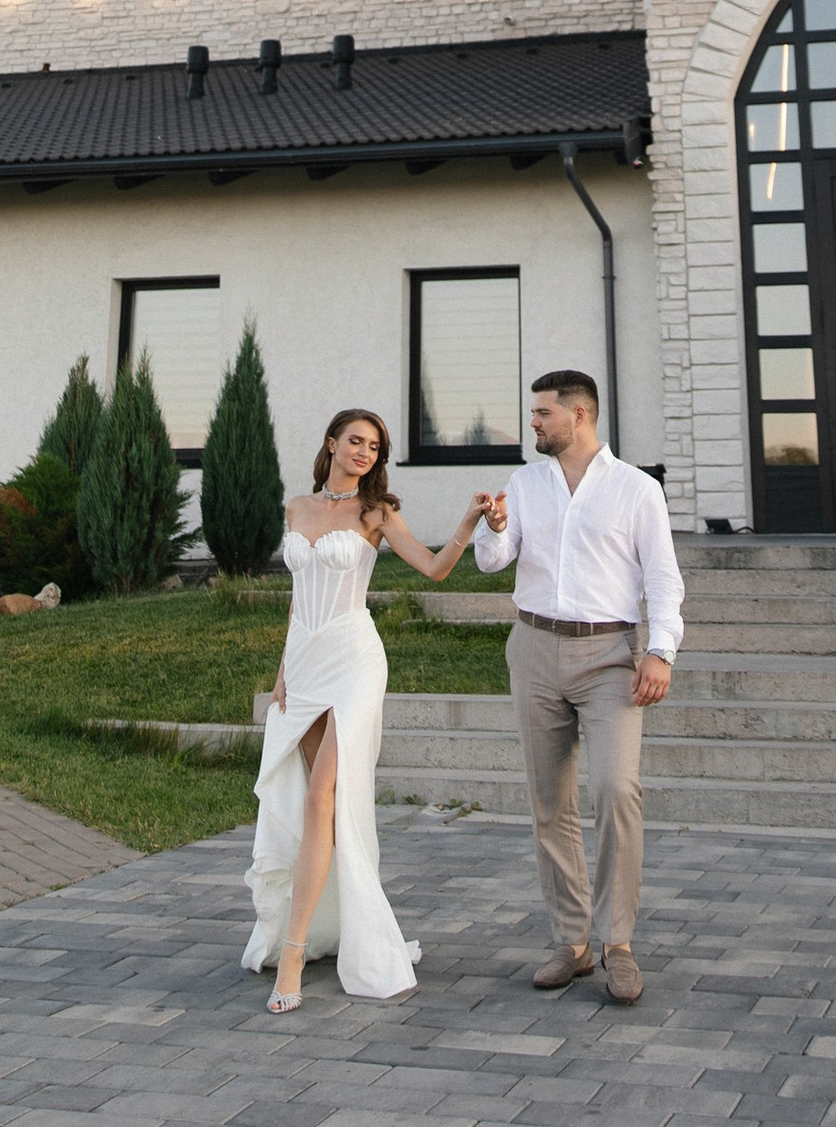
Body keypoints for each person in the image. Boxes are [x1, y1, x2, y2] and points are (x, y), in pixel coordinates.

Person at [243, 406, 493, 1010]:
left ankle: (294, 955)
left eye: (375, 447)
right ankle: (332, 922)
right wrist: (281, 674)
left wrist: (466, 522)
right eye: (355, 441)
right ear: (331, 443)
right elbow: (297, 598)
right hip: (304, 666)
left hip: (354, 661)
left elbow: (434, 569)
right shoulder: (296, 507)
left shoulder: (376, 512)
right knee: (318, 809)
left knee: (322, 796)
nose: (364, 452)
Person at [473, 368, 684, 1007]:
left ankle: (618, 943)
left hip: (609, 655)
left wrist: (661, 651)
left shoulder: (636, 489)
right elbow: (491, 561)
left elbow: (663, 578)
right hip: (534, 647)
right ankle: (572, 942)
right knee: (550, 801)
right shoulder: (525, 484)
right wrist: (495, 525)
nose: (533, 422)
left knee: (616, 790)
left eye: (543, 413)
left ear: (579, 414)